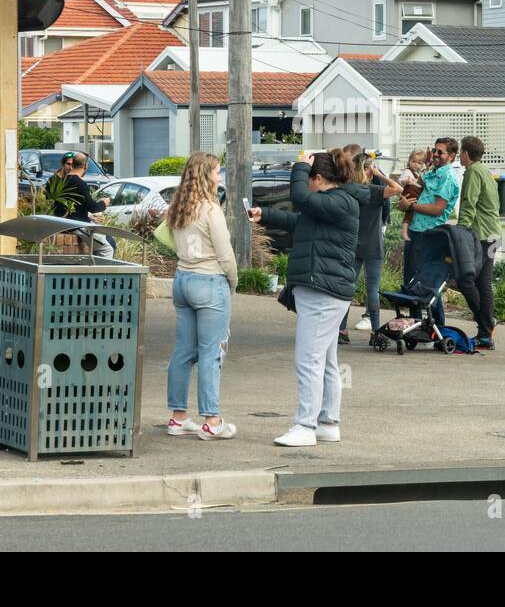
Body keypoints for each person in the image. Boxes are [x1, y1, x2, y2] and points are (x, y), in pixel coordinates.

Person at [250, 149, 367, 447]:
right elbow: (300, 221)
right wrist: (266, 214)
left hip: (322, 291)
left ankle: (305, 425)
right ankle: (328, 423)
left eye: (309, 178)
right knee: (325, 361)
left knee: (308, 360)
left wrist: (299, 166)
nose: (308, 185)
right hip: (325, 290)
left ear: (318, 179)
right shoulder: (333, 203)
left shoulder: (339, 200)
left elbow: (301, 198)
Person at [164, 152, 239, 440]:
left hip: (182, 279)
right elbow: (225, 254)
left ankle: (178, 417)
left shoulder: (179, 207)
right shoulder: (211, 210)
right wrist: (232, 282)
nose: (219, 177)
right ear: (206, 175)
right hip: (209, 281)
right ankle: (212, 420)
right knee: (211, 353)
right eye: (217, 172)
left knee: (184, 351)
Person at [337, 145, 403, 341]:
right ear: (368, 170)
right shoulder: (375, 191)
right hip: (374, 246)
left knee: (348, 288)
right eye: (371, 168)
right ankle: (376, 331)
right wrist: (380, 174)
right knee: (372, 289)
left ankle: (341, 330)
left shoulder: (349, 190)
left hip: (352, 244)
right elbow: (398, 189)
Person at [395, 137, 460, 329]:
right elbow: (414, 191)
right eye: (435, 151)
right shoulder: (432, 172)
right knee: (411, 282)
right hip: (416, 231)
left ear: (452, 156)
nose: (436, 155)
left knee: (428, 282)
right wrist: (406, 205)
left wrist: (412, 207)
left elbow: (438, 208)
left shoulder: (447, 177)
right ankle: (416, 326)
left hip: (430, 234)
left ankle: (437, 327)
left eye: (441, 152)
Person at [456, 136, 500, 349]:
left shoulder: (473, 172)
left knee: (467, 280)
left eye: (460, 152)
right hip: (494, 235)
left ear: (466, 153)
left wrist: (461, 231)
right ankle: (486, 330)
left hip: (481, 236)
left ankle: (485, 326)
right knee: (484, 284)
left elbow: (468, 203)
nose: (459, 156)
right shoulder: (485, 171)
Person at [50, 152, 113, 259]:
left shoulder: (62, 181)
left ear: (72, 164)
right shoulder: (79, 183)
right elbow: (93, 207)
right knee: (106, 249)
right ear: (85, 166)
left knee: (107, 240)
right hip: (76, 225)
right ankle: (103, 275)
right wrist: (104, 203)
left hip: (62, 223)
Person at [398, 148, 427, 285]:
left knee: (411, 213)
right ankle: (404, 230)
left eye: (419, 163)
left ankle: (405, 229)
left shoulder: (418, 173)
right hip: (408, 195)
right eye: (414, 161)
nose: (416, 165)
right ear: (409, 161)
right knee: (409, 213)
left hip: (414, 197)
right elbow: (401, 180)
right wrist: (408, 181)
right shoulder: (408, 172)